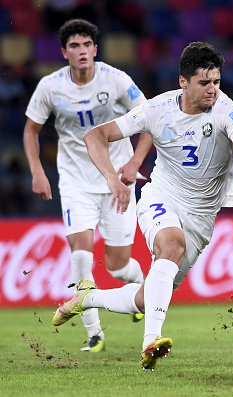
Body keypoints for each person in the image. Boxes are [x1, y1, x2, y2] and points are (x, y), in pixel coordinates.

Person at [51, 41, 233, 371]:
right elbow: (94, 137)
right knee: (171, 245)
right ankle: (151, 342)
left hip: (202, 218)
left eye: (216, 81)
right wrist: (113, 180)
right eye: (204, 83)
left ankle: (87, 299)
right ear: (183, 82)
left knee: (146, 297)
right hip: (162, 198)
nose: (212, 89)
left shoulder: (227, 110)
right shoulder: (156, 109)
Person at [24, 19, 152, 353]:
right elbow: (30, 130)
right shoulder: (50, 87)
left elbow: (151, 118)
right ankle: (95, 335)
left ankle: (138, 286)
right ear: (64, 52)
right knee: (80, 255)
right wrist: (37, 169)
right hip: (75, 182)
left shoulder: (116, 80)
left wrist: (135, 162)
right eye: (75, 46)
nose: (82, 51)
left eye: (87, 45)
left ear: (95, 49)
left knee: (117, 265)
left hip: (118, 184)